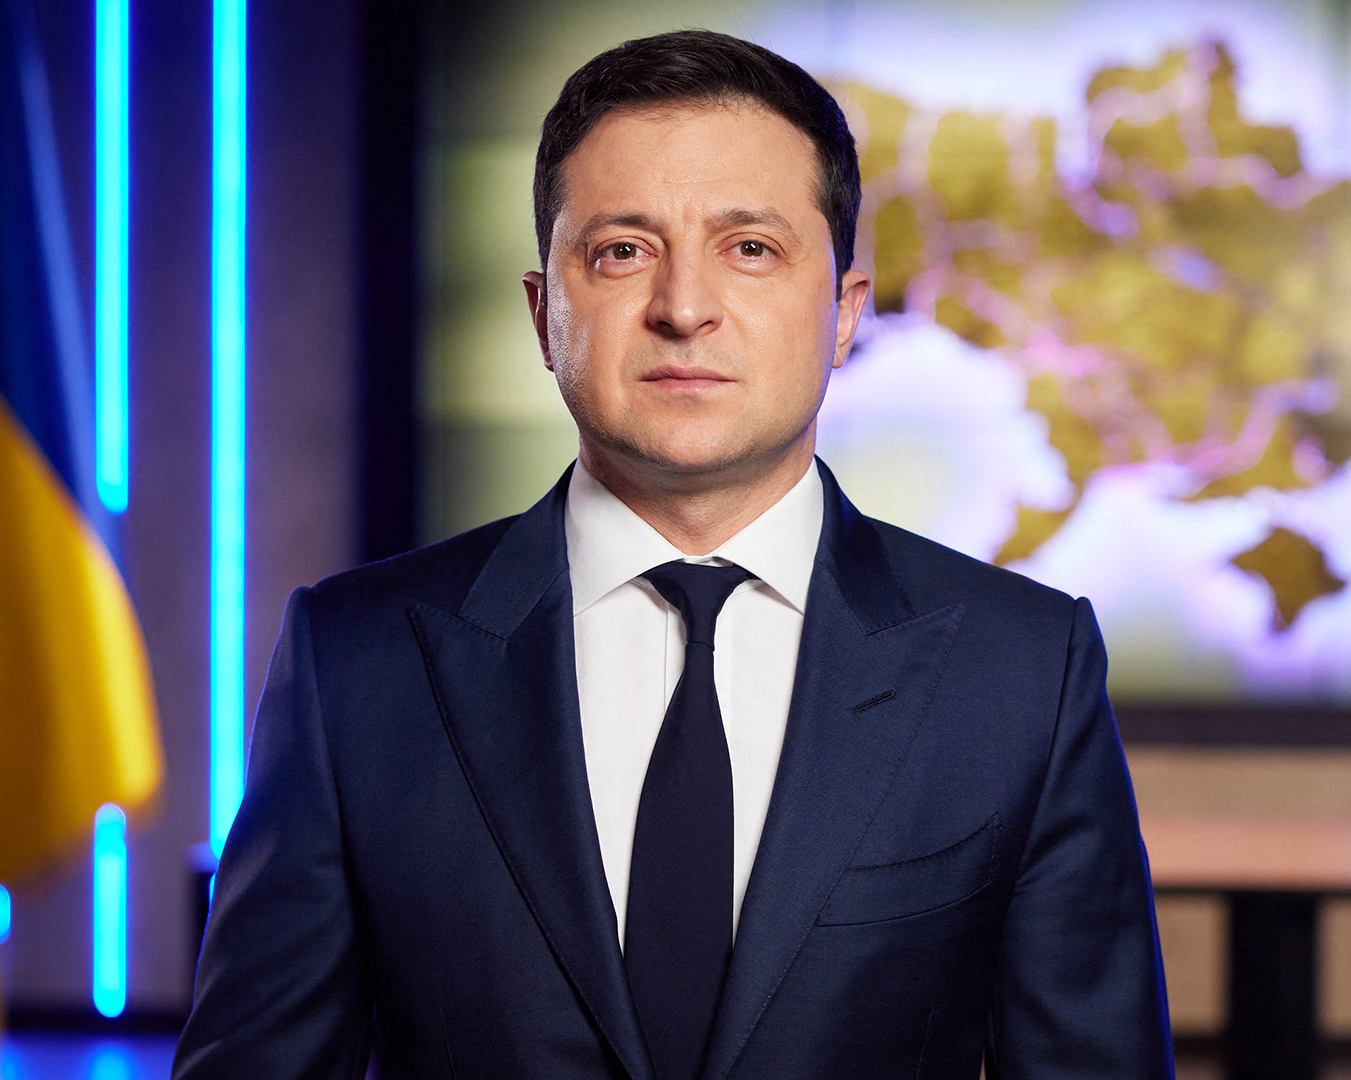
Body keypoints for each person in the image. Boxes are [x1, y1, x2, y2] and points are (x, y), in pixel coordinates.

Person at [174, 29, 1172, 1080]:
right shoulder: (355, 663)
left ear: (845, 314)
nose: (684, 307)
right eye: (622, 250)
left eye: (751, 249)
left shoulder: (1022, 671)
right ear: (544, 315)